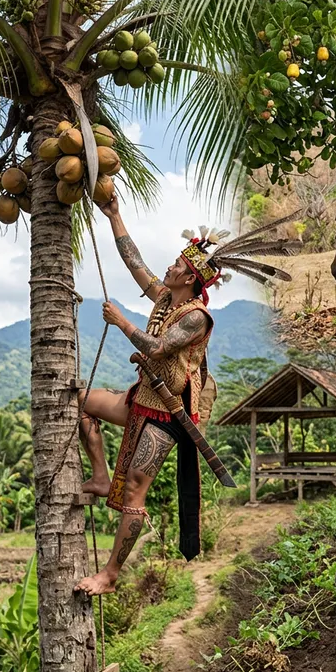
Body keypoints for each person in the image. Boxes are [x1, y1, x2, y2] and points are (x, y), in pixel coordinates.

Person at [74, 198, 295, 595]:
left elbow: (158, 350)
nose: (170, 267)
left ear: (190, 278)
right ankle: (102, 476)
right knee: (81, 401)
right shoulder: (163, 298)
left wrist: (121, 321)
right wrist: (114, 215)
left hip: (169, 417)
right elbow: (133, 261)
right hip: (140, 398)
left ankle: (109, 575)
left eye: (178, 265)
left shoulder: (196, 317)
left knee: (136, 492)